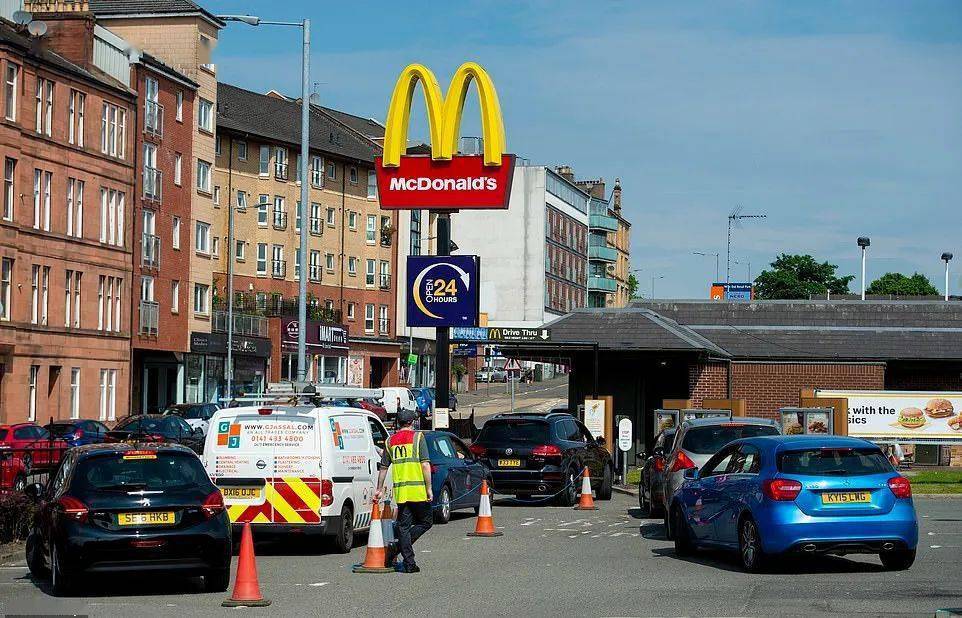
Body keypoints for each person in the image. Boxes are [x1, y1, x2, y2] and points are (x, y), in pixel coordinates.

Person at [374, 407, 432, 573]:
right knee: (426, 522)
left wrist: (379, 489)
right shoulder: (418, 437)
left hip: (401, 492)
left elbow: (384, 468)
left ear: (398, 423)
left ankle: (409, 563)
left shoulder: (389, 442)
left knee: (404, 527)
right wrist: (429, 489)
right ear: (412, 422)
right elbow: (425, 465)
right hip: (418, 491)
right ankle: (399, 549)